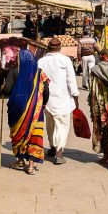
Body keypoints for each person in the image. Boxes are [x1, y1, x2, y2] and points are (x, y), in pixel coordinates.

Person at [3, 42, 49, 175]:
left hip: (17, 107)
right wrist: (43, 103)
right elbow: (46, 90)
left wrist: (2, 88)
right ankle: (31, 166)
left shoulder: (14, 70)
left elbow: (7, 89)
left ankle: (20, 160)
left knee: (19, 133)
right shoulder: (40, 73)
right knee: (34, 134)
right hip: (36, 108)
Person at [38, 37, 79, 165]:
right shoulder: (65, 60)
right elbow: (71, 81)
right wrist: (76, 96)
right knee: (62, 125)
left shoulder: (41, 61)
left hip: (47, 99)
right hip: (63, 99)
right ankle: (59, 153)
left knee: (50, 125)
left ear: (48, 48)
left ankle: (52, 147)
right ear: (60, 48)